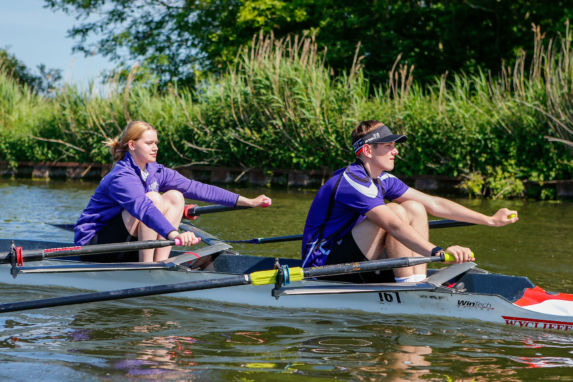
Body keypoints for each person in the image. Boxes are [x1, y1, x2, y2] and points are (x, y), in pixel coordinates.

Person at [301, 120, 518, 283]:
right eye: (388, 146)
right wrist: (439, 253)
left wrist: (489, 220)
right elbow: (392, 224)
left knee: (414, 207)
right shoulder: (352, 181)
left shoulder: (383, 180)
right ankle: (408, 287)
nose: (395, 151)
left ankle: (415, 281)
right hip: (322, 268)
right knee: (395, 211)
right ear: (368, 150)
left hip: (356, 255)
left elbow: (434, 204)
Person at [74, 120, 271, 262]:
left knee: (176, 196)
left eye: (156, 143)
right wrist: (173, 234)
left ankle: (160, 263)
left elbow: (197, 188)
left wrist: (246, 201)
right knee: (152, 198)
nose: (155, 148)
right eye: (149, 143)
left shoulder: (156, 171)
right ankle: (146, 267)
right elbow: (143, 208)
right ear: (132, 145)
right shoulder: (121, 176)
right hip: (95, 246)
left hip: (126, 242)